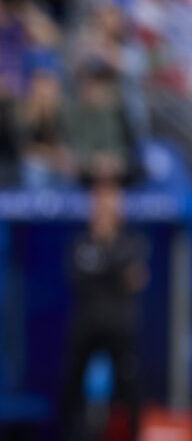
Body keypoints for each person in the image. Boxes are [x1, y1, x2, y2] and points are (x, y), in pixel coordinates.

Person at [60, 181, 148, 441]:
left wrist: (108, 266)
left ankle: (133, 435)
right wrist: (115, 270)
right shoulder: (81, 243)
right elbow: (79, 275)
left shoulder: (132, 242)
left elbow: (136, 277)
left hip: (120, 327)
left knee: (129, 387)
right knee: (71, 385)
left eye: (113, 205)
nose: (107, 211)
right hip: (86, 326)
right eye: (103, 205)